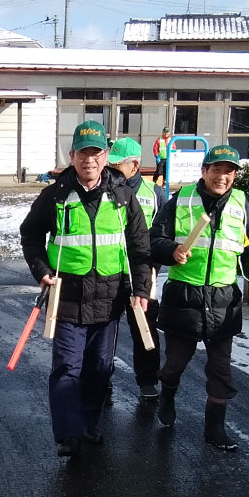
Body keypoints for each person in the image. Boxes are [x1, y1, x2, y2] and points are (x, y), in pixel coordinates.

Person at [20, 120, 152, 458]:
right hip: (67, 296)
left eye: (95, 153)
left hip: (110, 298)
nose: (89, 160)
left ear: (106, 156)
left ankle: (91, 423)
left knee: (100, 367)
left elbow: (138, 246)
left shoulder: (123, 196)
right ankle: (68, 433)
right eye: (83, 153)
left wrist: (141, 287)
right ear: (72, 155)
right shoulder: (55, 195)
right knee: (67, 366)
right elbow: (31, 235)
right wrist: (42, 270)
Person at [149, 145, 249, 451]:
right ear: (204, 172)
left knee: (221, 370)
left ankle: (214, 429)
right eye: (216, 169)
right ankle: (167, 396)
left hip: (223, 300)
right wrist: (171, 250)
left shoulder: (242, 204)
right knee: (175, 363)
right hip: (184, 298)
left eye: (229, 171)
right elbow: (155, 239)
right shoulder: (182, 201)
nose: (222, 176)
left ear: (234, 176)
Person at [106, 137, 167, 400]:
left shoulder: (154, 194)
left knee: (145, 328)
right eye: (111, 164)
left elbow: (164, 234)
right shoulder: (103, 188)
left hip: (143, 272)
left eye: (118, 165)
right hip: (110, 271)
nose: (113, 169)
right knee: (106, 329)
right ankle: (102, 378)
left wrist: (152, 268)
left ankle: (147, 380)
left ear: (135, 165)